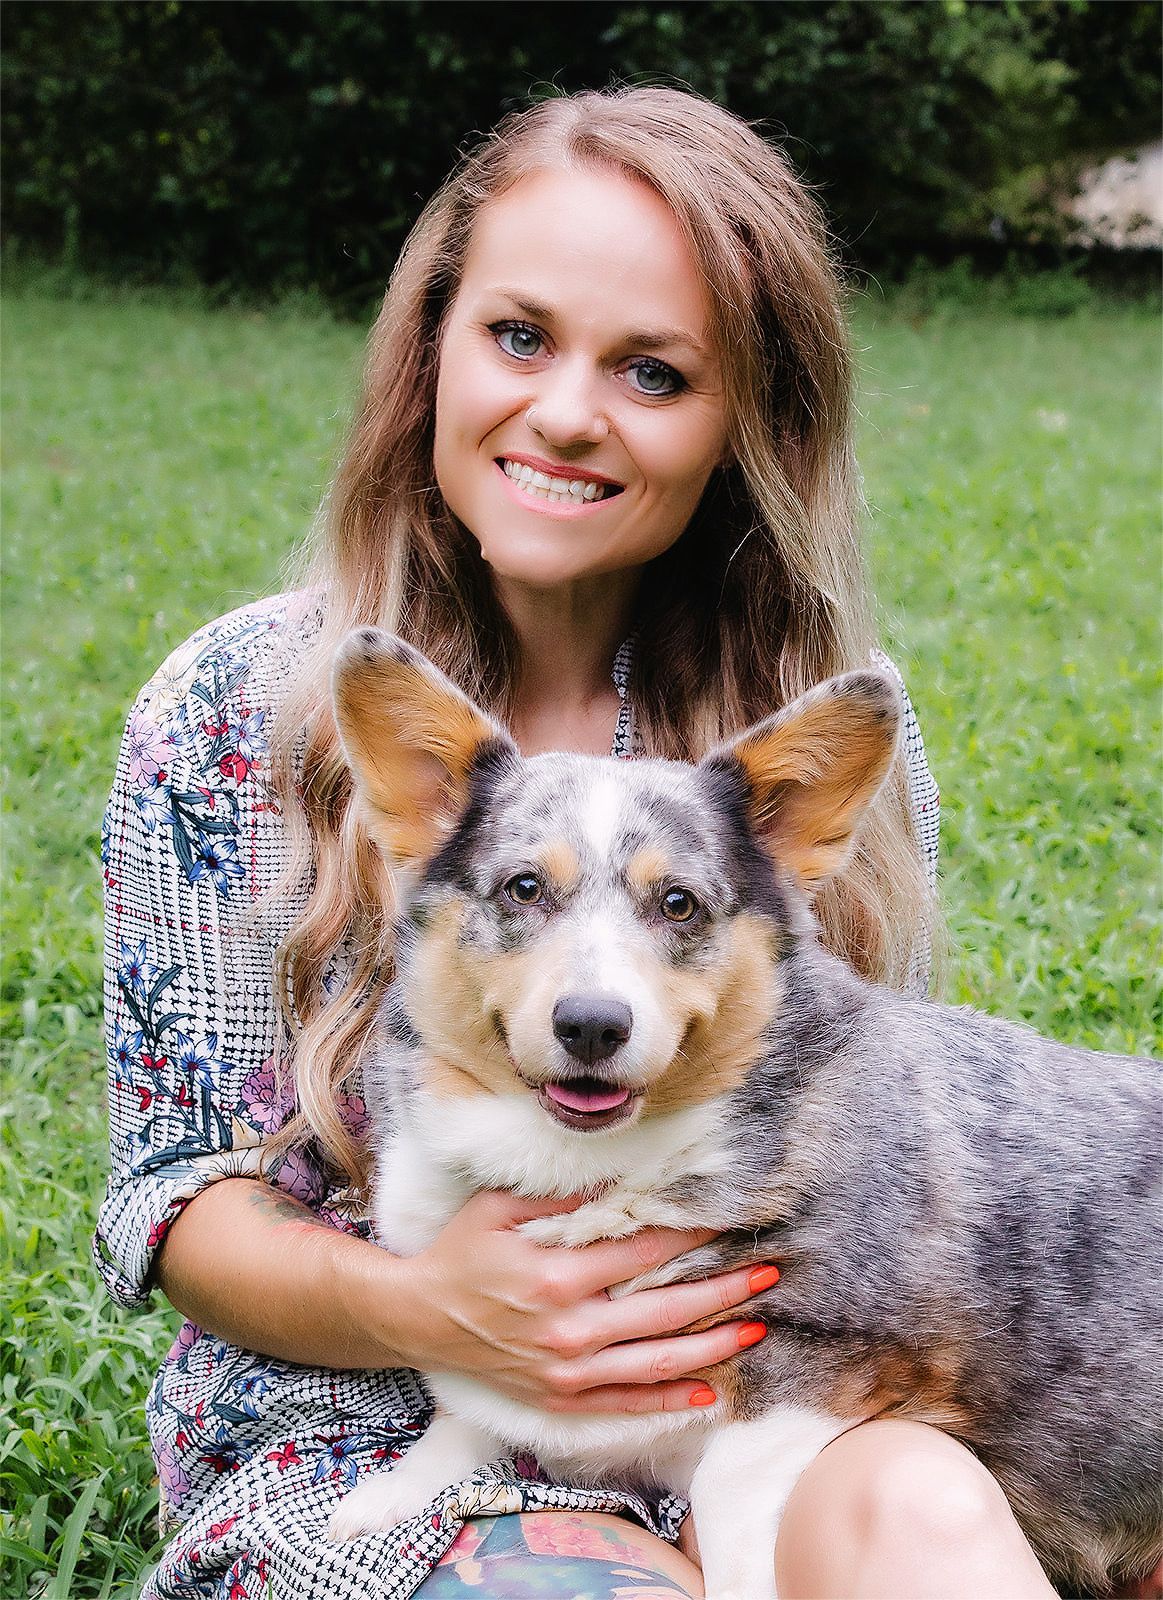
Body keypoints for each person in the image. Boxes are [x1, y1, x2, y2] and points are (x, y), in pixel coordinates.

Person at [96, 85, 1059, 1600]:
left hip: (761, 1414)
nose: (564, 411)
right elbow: (173, 1192)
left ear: (745, 422)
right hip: (362, 1437)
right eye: (521, 336)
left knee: (938, 1530)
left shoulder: (801, 752)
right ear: (432, 350)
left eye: (655, 371)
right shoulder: (240, 708)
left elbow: (878, 1168)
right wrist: (437, 1305)